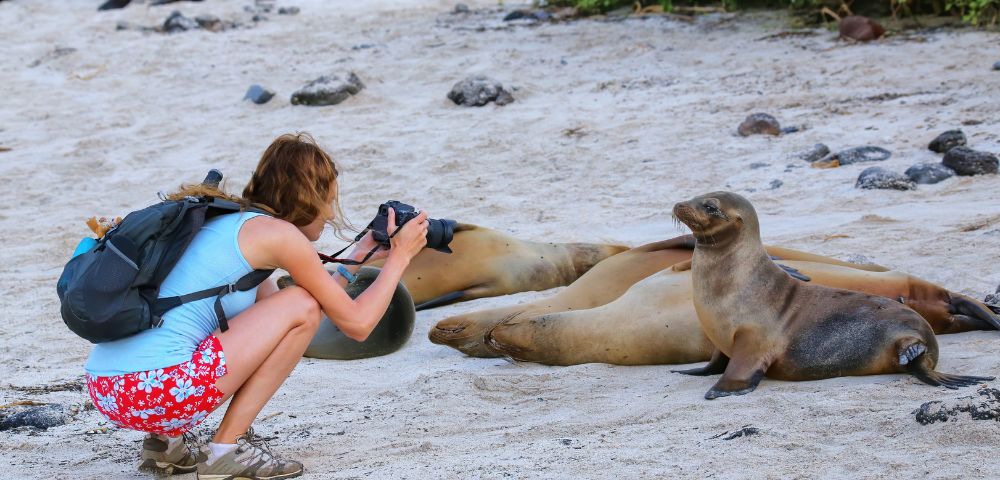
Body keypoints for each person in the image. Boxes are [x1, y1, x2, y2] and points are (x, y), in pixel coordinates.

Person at [84, 132, 429, 479]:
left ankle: (163, 445)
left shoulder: (222, 221)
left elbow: (284, 314)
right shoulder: (280, 236)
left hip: (110, 391)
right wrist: (400, 257)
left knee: (274, 310)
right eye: (329, 200)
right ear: (309, 196)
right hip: (158, 392)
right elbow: (356, 324)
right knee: (299, 307)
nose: (328, 214)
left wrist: (356, 257)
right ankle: (225, 450)